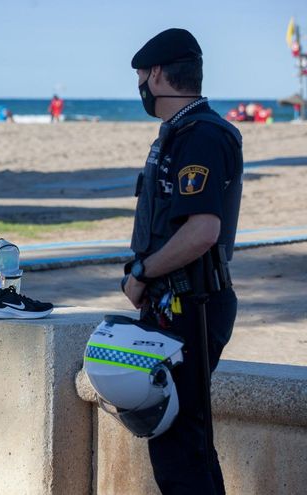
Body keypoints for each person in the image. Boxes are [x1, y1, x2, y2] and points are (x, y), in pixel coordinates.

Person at [125, 28, 243, 494]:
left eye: (139, 75)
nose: (138, 86)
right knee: (178, 441)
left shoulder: (201, 136)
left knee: (181, 447)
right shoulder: (178, 134)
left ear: (156, 74)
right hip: (174, 302)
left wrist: (142, 272)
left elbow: (202, 229)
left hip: (192, 303)